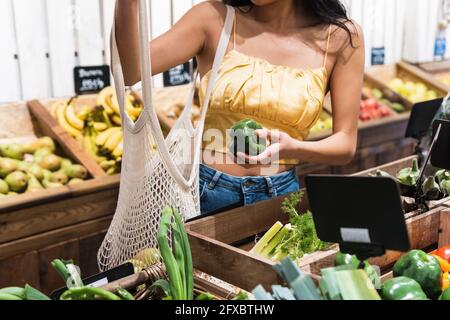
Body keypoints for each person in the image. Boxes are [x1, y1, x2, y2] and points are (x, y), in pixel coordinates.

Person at [115, 0, 365, 215]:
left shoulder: (341, 38)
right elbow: (131, 71)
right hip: (206, 195)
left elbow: (345, 143)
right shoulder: (213, 19)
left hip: (281, 198)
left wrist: (295, 148)